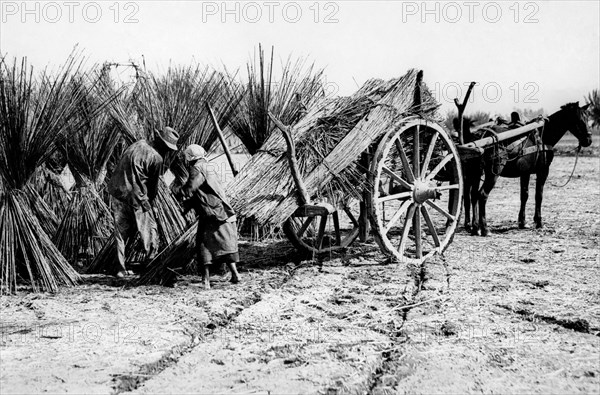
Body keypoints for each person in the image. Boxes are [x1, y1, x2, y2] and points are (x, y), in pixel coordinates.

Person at [107, 127, 180, 277]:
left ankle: (120, 268)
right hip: (137, 197)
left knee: (120, 234)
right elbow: (152, 186)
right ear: (161, 143)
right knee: (149, 230)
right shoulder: (157, 158)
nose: (167, 151)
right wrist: (150, 204)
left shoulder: (137, 144)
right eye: (167, 147)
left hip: (118, 193)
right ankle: (151, 265)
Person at [178, 144, 240, 289]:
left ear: (189, 158)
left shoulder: (197, 168)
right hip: (222, 209)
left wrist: (180, 192)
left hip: (211, 212)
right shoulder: (209, 166)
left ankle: (205, 280)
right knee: (225, 243)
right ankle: (236, 274)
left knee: (204, 244)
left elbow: (191, 188)